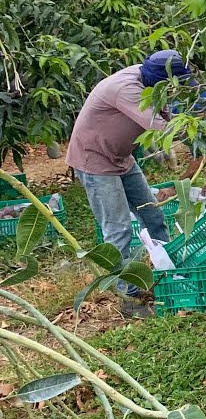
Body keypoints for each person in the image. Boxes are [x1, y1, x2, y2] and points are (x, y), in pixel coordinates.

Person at [66, 50, 193, 315]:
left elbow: (166, 115)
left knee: (153, 214)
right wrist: (204, 131)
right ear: (163, 81)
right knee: (118, 228)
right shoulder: (126, 89)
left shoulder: (150, 81)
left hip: (122, 158)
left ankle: (168, 274)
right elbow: (161, 127)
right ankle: (128, 298)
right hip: (95, 160)